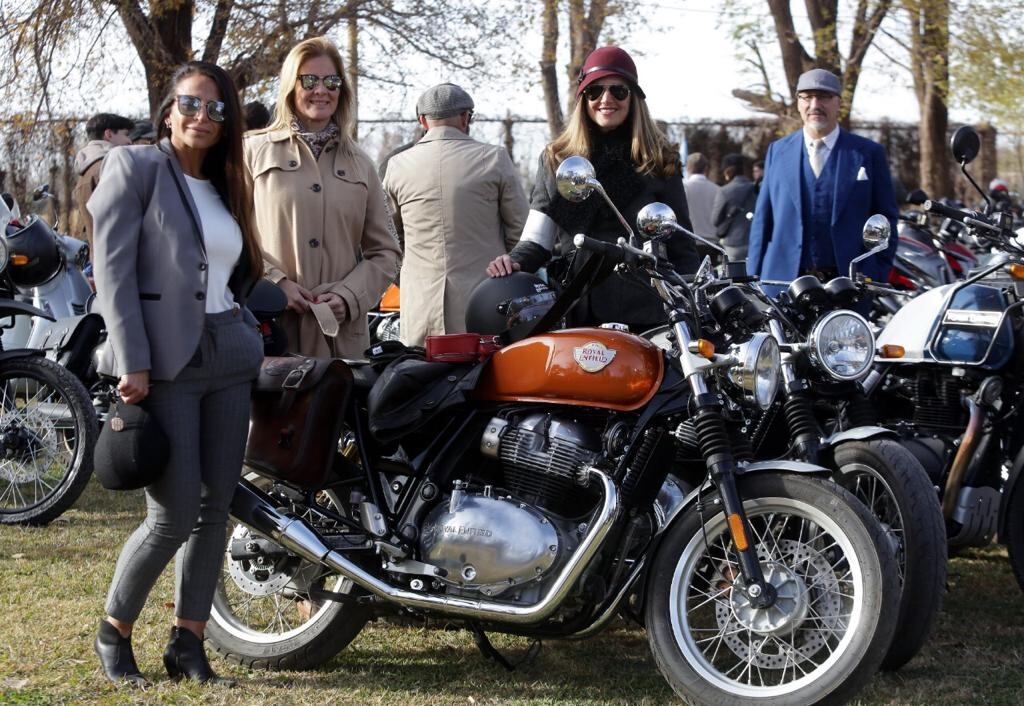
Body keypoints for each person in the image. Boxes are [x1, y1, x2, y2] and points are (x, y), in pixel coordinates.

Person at [89, 61, 264, 688]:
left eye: (217, 110)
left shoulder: (225, 184)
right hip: (165, 362)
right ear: (169, 110)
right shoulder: (134, 168)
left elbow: (234, 268)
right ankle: (115, 632)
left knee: (217, 509)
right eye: (192, 104)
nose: (203, 118)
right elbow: (111, 271)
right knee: (173, 511)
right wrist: (130, 357)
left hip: (230, 353)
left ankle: (187, 644)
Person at [486, 46, 698, 331]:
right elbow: (538, 240)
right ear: (582, 99)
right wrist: (511, 261)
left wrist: (692, 307)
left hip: (648, 315)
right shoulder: (556, 158)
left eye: (618, 91)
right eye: (594, 91)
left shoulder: (658, 159)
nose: (606, 99)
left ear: (634, 98)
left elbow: (682, 244)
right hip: (577, 310)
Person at [246, 37, 401, 358]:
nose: (322, 90)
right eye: (309, 80)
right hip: (270, 333)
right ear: (291, 86)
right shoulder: (251, 151)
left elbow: (386, 252)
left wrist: (349, 297)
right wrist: (274, 283)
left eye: (332, 81)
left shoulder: (361, 163)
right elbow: (231, 235)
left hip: (340, 342)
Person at [383, 83, 528, 346]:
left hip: (420, 307)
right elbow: (521, 234)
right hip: (485, 303)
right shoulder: (494, 159)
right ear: (466, 118)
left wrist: (409, 277)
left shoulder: (397, 166)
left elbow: (385, 240)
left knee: (423, 380)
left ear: (422, 120)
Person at [748, 68, 898, 283]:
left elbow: (885, 219)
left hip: (850, 286)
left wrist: (876, 272)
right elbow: (763, 220)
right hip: (783, 285)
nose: (815, 105)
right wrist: (754, 275)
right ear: (798, 103)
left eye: (824, 97)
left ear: (839, 103)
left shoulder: (868, 153)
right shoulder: (777, 152)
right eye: (807, 97)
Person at [74, 113, 134, 249]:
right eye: (126, 134)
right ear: (109, 134)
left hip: (100, 261)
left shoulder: (86, 171)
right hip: (122, 259)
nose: (129, 141)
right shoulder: (111, 167)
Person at [711, 153, 757, 261]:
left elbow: (715, 220)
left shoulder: (724, 191)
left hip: (733, 243)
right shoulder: (756, 188)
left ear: (728, 171)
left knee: (734, 275)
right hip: (754, 241)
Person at [683, 152, 720, 239]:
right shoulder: (718, 190)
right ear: (706, 168)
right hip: (712, 243)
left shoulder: (683, 187)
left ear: (687, 168)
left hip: (690, 240)